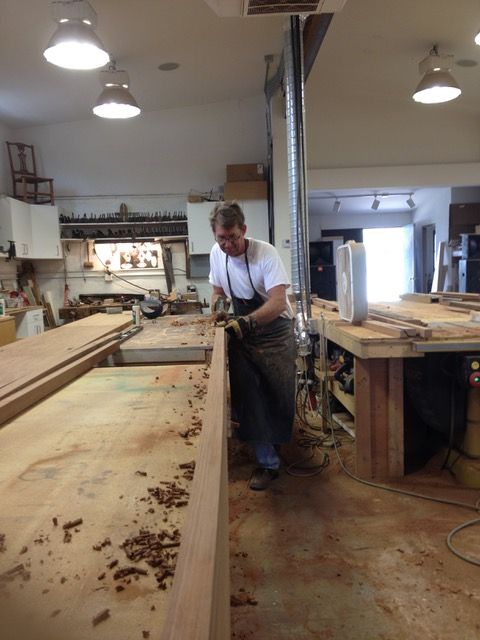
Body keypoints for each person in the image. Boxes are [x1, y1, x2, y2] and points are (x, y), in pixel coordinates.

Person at [208, 201, 297, 491]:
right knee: (250, 394)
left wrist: (246, 323)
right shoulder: (216, 255)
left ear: (243, 230)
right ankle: (267, 463)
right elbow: (218, 291)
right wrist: (219, 308)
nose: (228, 244)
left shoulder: (265, 253)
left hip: (275, 331)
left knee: (276, 393)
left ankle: (277, 444)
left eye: (233, 237)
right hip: (243, 331)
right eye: (221, 238)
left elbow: (277, 302)